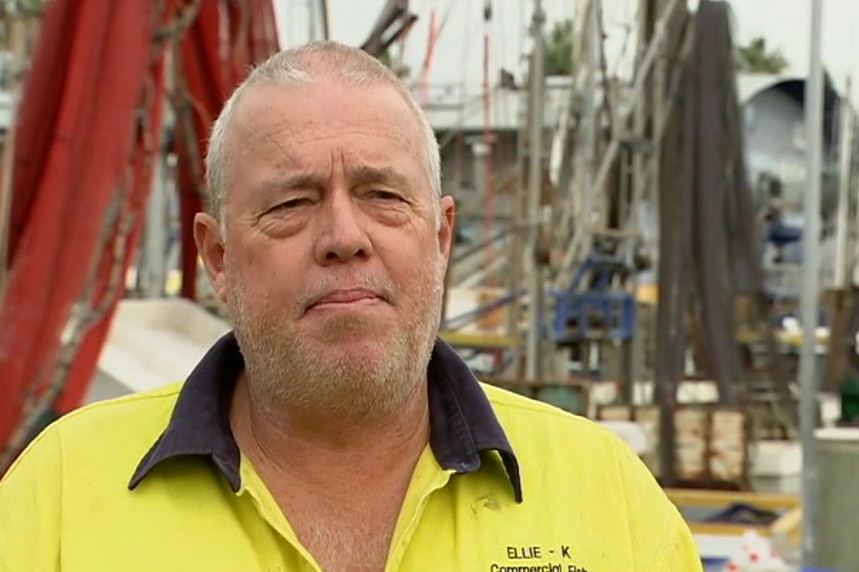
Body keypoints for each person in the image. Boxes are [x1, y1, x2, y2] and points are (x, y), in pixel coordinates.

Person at [0, 41, 702, 572]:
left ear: (440, 236)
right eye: (291, 202)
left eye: (383, 196)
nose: (343, 237)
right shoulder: (59, 496)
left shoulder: (607, 497)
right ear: (216, 257)